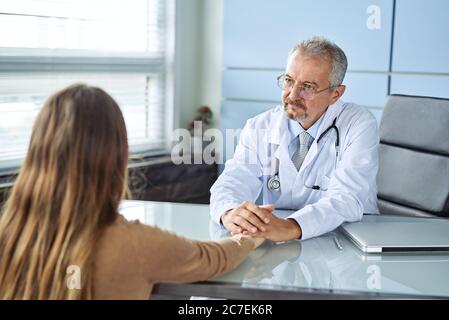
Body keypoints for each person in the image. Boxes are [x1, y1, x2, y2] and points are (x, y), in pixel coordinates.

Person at [0, 84, 264, 300]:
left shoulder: (9, 236)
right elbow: (213, 259)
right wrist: (248, 238)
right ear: (116, 157)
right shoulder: (134, 244)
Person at [210, 36, 379, 242]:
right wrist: (230, 213)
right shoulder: (259, 126)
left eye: (307, 87)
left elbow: (347, 198)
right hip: (283, 247)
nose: (292, 95)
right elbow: (233, 180)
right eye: (289, 81)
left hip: (346, 243)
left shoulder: (358, 124)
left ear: (335, 94)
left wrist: (292, 226)